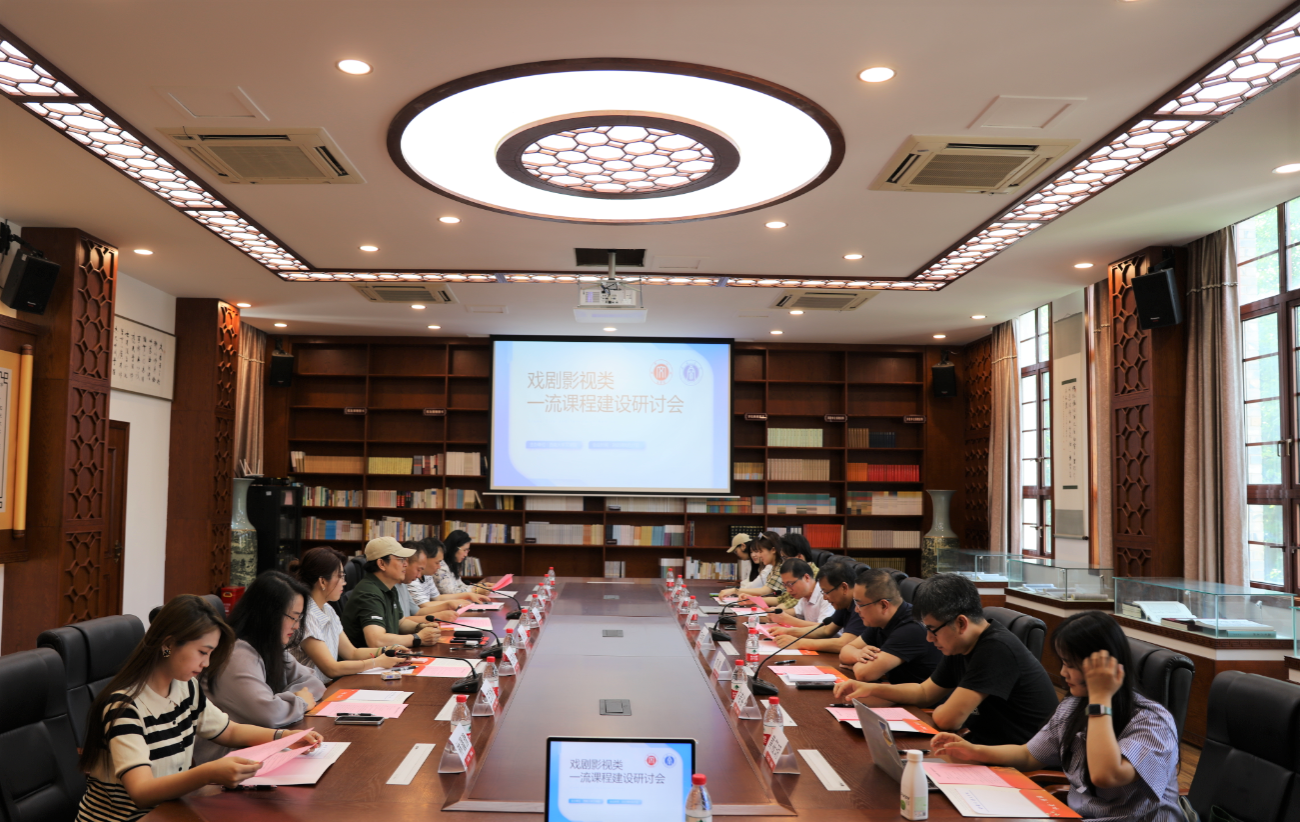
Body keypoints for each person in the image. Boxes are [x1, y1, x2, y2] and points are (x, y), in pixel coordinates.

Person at [74, 595, 324, 822]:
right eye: (202, 652)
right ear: (168, 644)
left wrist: (284, 737)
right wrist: (207, 773)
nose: (206, 663)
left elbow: (229, 731)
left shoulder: (185, 687)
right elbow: (141, 792)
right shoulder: (124, 708)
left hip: (169, 812)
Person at [931, 611, 1182, 822]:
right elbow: (1028, 755)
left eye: (1070, 664)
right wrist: (973, 751)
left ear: (1104, 667)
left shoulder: (1153, 722)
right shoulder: (1074, 707)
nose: (1063, 672)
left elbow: (1106, 775)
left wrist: (1100, 699)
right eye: (1063, 662)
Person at [833, 573, 1058, 745]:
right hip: (978, 745)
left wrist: (943, 709)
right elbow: (924, 693)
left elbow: (948, 719)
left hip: (1013, 762)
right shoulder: (962, 644)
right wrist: (870, 689)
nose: (929, 639)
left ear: (960, 623)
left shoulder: (996, 649)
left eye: (933, 630)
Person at [197, 571, 327, 762]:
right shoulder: (236, 654)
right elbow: (269, 715)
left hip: (263, 746)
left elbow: (314, 683)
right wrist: (300, 701)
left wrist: (281, 702)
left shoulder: (269, 646)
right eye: (293, 617)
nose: (296, 626)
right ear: (268, 615)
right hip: (228, 758)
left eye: (299, 618)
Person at [293, 546, 402, 681]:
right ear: (322, 581)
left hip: (324, 687)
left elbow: (352, 653)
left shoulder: (327, 609)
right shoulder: (306, 615)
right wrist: (377, 662)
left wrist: (387, 650)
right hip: (306, 691)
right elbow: (331, 669)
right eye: (340, 576)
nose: (344, 583)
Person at [838, 567, 941, 686]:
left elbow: (864, 674)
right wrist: (858, 654)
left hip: (922, 698)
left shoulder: (911, 629)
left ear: (883, 605)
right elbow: (844, 652)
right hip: (899, 692)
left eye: (860, 604)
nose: (856, 610)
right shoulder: (880, 621)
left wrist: (855, 664)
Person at [341, 536, 442, 649]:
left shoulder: (389, 588)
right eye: (401, 560)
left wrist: (420, 627)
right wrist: (418, 638)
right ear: (382, 564)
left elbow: (400, 623)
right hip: (368, 659)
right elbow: (376, 641)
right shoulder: (368, 593)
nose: (405, 564)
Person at [769, 559, 867, 653]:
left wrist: (798, 643)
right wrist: (788, 632)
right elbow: (826, 630)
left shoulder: (861, 604)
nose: (825, 598)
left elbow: (844, 643)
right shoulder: (844, 603)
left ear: (844, 587)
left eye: (826, 592)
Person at [394, 540, 482, 624]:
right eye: (437, 562)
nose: (439, 567)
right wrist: (439, 616)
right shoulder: (402, 583)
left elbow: (417, 612)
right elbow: (401, 622)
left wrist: (449, 605)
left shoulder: (404, 583)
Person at [406, 536, 490, 606]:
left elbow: (437, 598)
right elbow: (424, 605)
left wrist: (467, 595)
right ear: (425, 558)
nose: (439, 567)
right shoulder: (412, 577)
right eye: (437, 562)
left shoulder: (427, 575)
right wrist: (455, 603)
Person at [717, 531, 784, 607]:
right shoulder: (774, 567)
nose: (758, 555)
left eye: (760, 551)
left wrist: (735, 591)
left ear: (773, 550)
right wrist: (752, 598)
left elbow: (765, 591)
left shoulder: (781, 567)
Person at [767, 558, 834, 627]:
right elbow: (796, 612)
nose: (788, 590)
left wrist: (786, 619)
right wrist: (776, 613)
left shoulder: (826, 595)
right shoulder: (804, 594)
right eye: (785, 585)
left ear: (806, 577)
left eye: (790, 584)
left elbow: (823, 628)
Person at [434, 529, 476, 596]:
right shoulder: (440, 566)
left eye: (467, 551)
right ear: (454, 548)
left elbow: (460, 585)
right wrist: (475, 590)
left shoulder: (452, 563)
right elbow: (450, 592)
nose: (466, 555)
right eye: (464, 550)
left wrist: (479, 586)